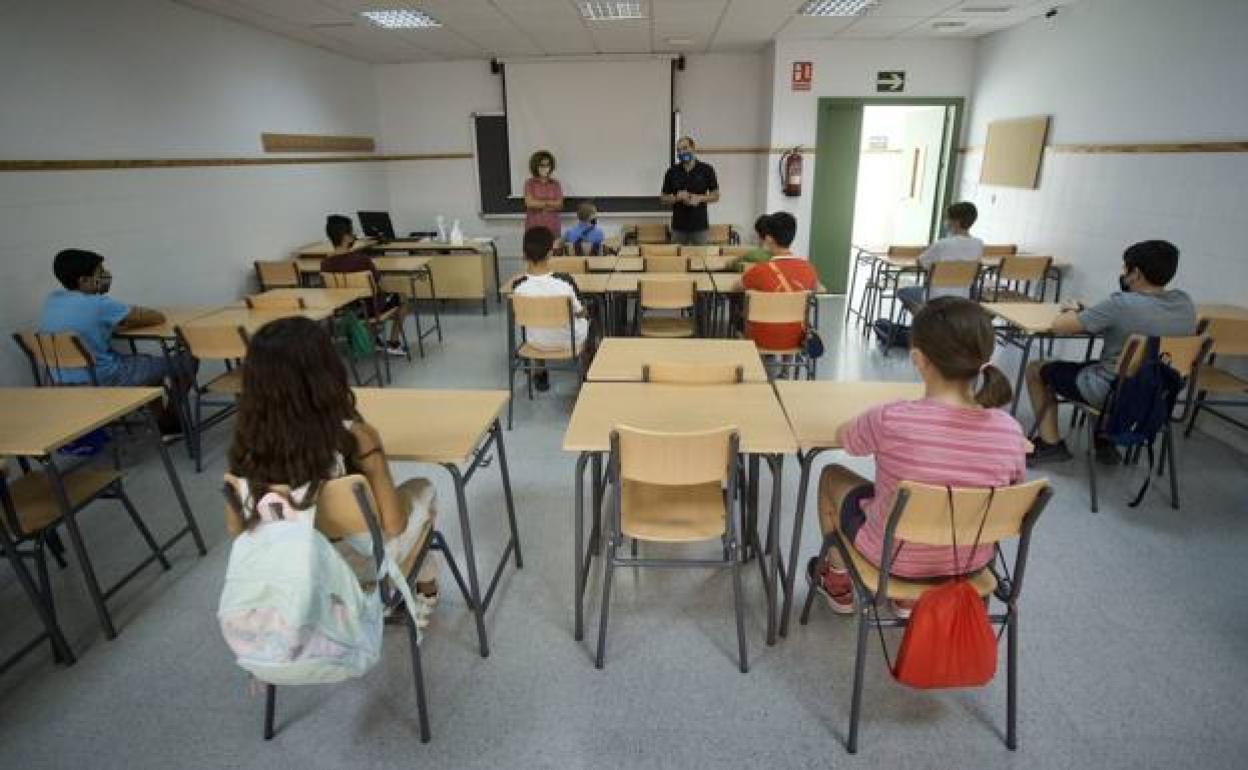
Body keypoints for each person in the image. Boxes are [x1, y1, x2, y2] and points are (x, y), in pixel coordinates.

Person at [808, 297, 1027, 616]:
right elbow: (1011, 492)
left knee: (831, 474)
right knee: (917, 499)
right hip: (969, 563)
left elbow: (846, 439)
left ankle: (838, 581)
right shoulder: (1010, 431)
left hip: (893, 560)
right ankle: (907, 600)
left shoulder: (890, 418)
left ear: (917, 358)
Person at [224, 317, 440, 624]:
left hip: (289, 568)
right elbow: (393, 525)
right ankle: (423, 588)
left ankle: (403, 591)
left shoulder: (246, 449)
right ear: (326, 372)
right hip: (357, 566)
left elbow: (237, 531)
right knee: (424, 489)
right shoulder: (354, 436)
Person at [1026, 239, 1197, 465]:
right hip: (1157, 393)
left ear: (1136, 273)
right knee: (1116, 367)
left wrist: (1070, 311)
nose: (1122, 272)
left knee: (1036, 369)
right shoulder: (1185, 303)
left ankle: (1050, 444)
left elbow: (1060, 325)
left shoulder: (1121, 303)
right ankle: (1105, 443)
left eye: (1125, 267)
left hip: (1113, 394)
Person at [38, 248, 194, 435]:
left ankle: (163, 423)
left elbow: (85, 326)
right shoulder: (98, 304)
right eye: (100, 272)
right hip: (106, 378)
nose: (106, 276)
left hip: (62, 381)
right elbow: (156, 317)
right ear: (84, 281)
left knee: (149, 368)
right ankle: (171, 421)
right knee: (189, 359)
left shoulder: (52, 302)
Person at [512, 226, 589, 392]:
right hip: (568, 343)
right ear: (550, 253)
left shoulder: (517, 287)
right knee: (591, 318)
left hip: (534, 343)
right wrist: (585, 311)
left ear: (524, 255)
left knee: (539, 322)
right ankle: (587, 374)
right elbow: (580, 312)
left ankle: (540, 373)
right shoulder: (564, 282)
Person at [321, 214, 407, 357]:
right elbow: (382, 287)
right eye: (352, 232)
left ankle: (374, 338)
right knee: (402, 298)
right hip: (370, 309)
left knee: (377, 300)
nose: (354, 236)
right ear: (347, 237)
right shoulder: (362, 260)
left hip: (346, 310)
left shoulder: (325, 264)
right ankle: (393, 342)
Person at [740, 212, 818, 350]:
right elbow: (815, 290)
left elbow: (738, 286)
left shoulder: (759, 270)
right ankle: (786, 371)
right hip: (797, 339)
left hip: (760, 340)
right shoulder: (809, 269)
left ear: (768, 239)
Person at [897, 201, 984, 311]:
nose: (946, 221)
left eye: (948, 218)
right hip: (962, 299)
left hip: (935, 298)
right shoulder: (979, 244)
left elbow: (920, 262)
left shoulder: (943, 244)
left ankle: (926, 320)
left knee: (903, 292)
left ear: (956, 222)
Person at [660, 136, 720, 245]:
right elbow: (663, 198)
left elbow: (716, 195)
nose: (682, 152)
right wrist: (676, 198)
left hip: (700, 227)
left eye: (685, 148)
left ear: (693, 148)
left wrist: (700, 198)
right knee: (677, 260)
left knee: (701, 260)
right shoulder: (671, 172)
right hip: (678, 228)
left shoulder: (707, 170)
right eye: (679, 150)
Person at [523, 150, 563, 239]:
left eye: (547, 165)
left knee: (553, 251)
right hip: (534, 225)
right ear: (535, 166)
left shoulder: (556, 184)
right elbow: (530, 204)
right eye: (542, 165)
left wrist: (539, 203)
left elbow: (559, 205)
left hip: (553, 225)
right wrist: (550, 204)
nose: (545, 168)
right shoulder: (529, 183)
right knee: (534, 251)